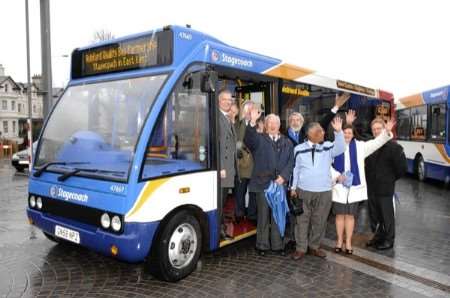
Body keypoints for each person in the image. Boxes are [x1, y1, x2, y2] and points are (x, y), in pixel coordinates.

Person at [330, 112, 395, 254]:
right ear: (341, 133)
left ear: (353, 134)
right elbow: (327, 165)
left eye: (349, 133)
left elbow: (376, 142)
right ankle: (339, 241)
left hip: (354, 188)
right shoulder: (333, 146)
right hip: (339, 186)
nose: (347, 135)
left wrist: (386, 132)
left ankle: (348, 243)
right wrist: (336, 176)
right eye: (344, 132)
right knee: (340, 215)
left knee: (351, 216)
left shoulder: (360, 147)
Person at [290, 117, 345, 260]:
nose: (323, 133)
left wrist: (339, 132)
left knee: (319, 220)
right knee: (302, 220)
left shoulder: (327, 146)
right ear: (310, 133)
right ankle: (301, 248)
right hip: (303, 191)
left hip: (324, 191)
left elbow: (341, 148)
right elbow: (295, 170)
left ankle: (314, 246)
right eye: (320, 131)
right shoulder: (298, 149)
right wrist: (293, 187)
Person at [244, 108, 294, 256]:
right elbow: (249, 139)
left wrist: (284, 177)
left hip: (279, 184)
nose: (272, 125)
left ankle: (278, 245)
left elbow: (291, 162)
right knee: (263, 216)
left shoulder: (287, 142)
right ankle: (262, 245)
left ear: (279, 125)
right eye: (269, 123)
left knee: (278, 215)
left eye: (275, 123)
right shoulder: (259, 139)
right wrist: (252, 121)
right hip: (262, 185)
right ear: (265, 125)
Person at [365, 118, 407, 250]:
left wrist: (389, 179)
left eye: (379, 129)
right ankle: (378, 237)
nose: (376, 131)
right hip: (371, 187)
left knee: (386, 215)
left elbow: (402, 169)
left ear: (384, 130)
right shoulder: (370, 145)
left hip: (385, 188)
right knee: (375, 215)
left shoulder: (395, 147)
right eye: (374, 129)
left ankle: (389, 240)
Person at [218, 89, 238, 239]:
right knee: (219, 203)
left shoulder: (227, 118)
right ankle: (219, 232)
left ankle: (221, 229)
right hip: (222, 170)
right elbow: (217, 145)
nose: (227, 102)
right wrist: (221, 168)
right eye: (224, 99)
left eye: (230, 100)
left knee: (224, 202)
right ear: (219, 101)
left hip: (229, 168)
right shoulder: (217, 117)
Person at [234, 100, 257, 222]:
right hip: (243, 164)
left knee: (253, 192)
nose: (249, 112)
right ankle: (239, 214)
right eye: (247, 110)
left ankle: (252, 215)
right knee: (240, 191)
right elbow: (237, 142)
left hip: (256, 164)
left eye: (251, 110)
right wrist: (241, 156)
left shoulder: (259, 125)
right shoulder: (238, 124)